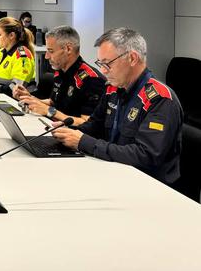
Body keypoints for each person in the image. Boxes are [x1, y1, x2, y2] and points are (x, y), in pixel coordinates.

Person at [52, 28, 183, 185]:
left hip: (148, 185)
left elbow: (146, 156)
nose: (103, 70)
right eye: (100, 63)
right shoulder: (113, 89)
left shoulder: (160, 99)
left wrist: (84, 142)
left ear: (132, 58)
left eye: (107, 63)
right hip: (115, 173)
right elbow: (94, 125)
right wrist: (68, 132)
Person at [13, 26, 104, 125]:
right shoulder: (60, 70)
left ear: (68, 49)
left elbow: (87, 124)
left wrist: (49, 111)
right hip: (53, 126)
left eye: (51, 51)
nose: (46, 56)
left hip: (71, 132)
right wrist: (29, 98)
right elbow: (53, 102)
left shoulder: (92, 79)